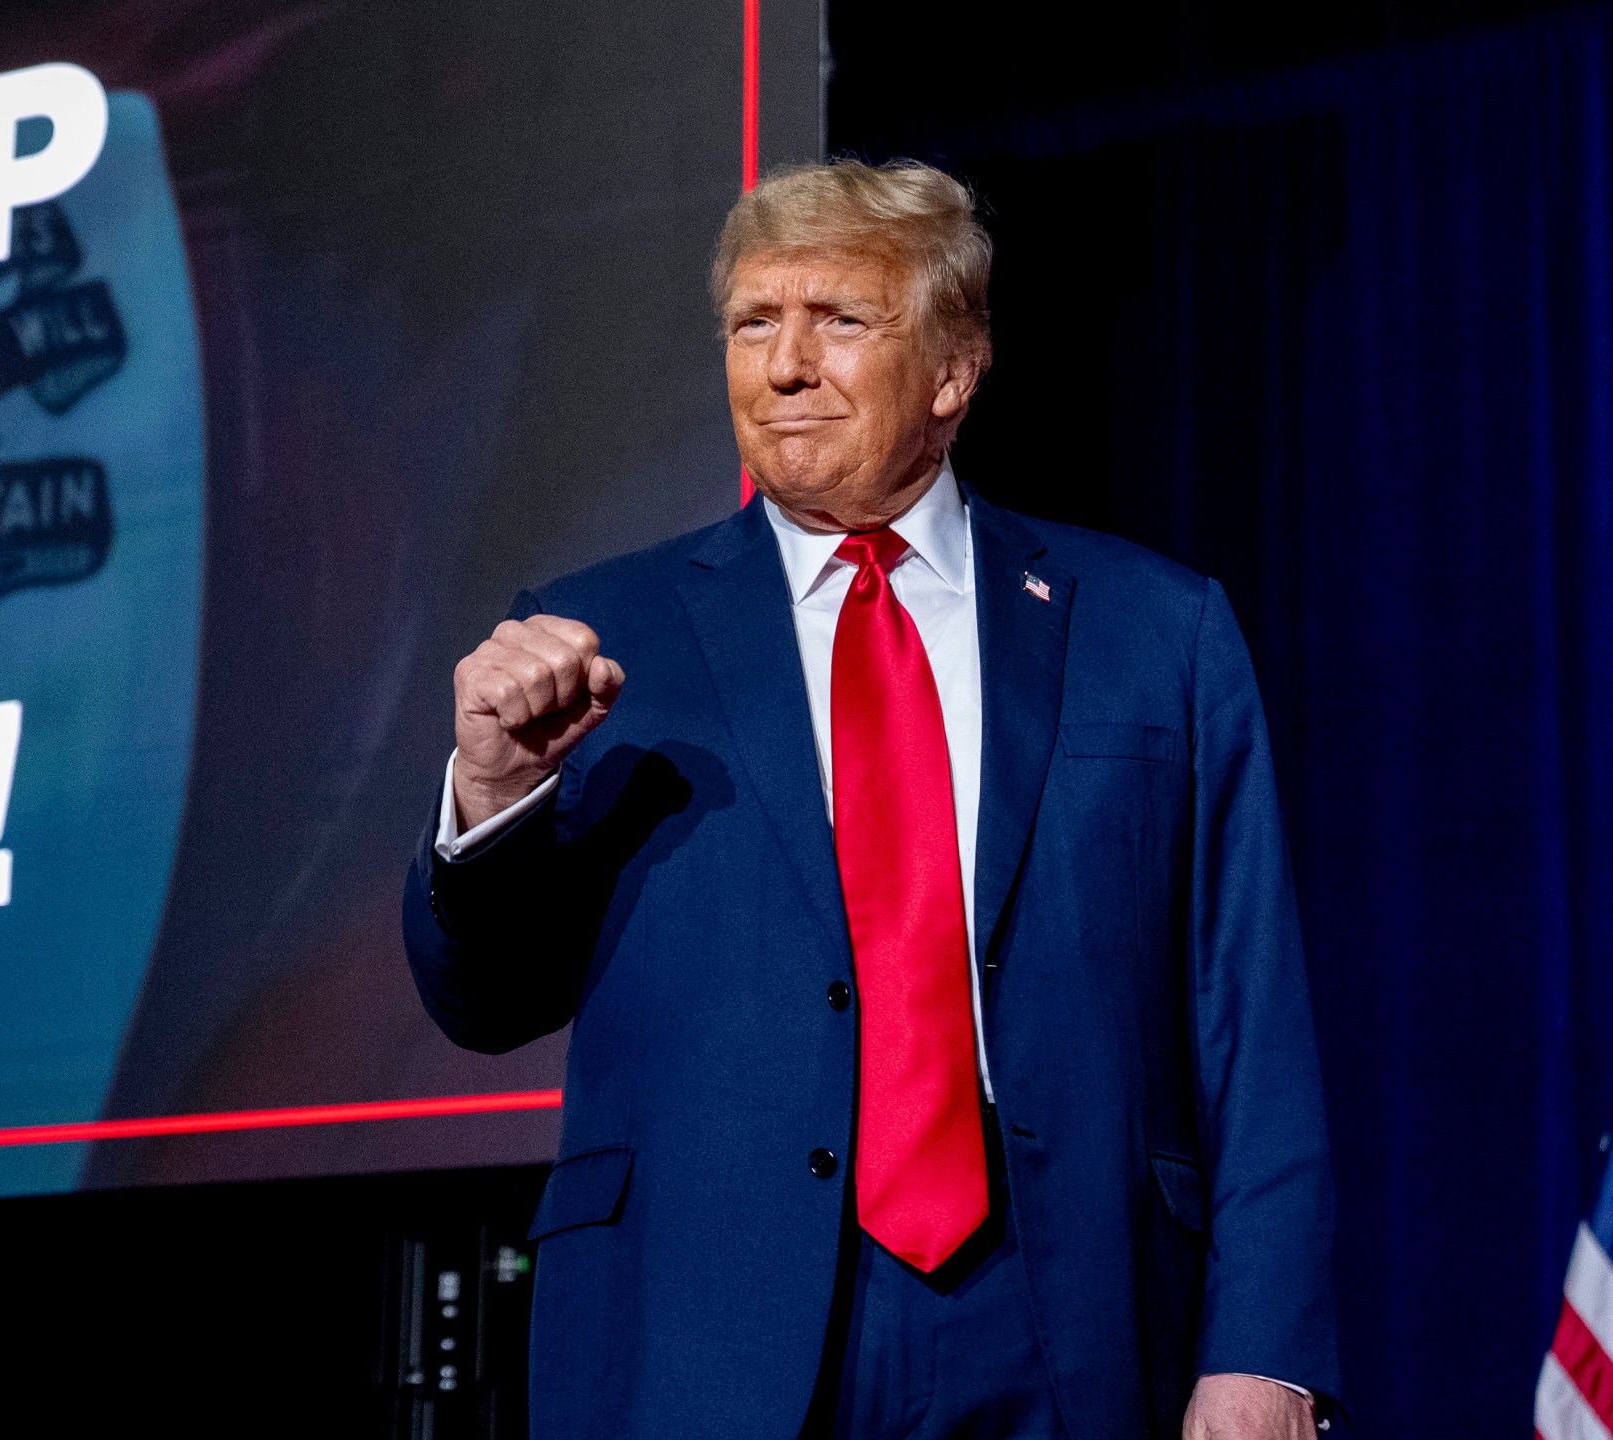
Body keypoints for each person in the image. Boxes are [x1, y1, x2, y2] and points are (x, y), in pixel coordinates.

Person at [404, 159, 1339, 1439]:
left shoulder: (1152, 631)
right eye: (752, 325)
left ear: (953, 373)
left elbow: (1250, 1015)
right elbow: (485, 1000)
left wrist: (1265, 1353)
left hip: (1069, 1312)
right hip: (702, 1320)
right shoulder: (603, 631)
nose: (783, 366)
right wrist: (494, 792)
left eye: (838, 321)